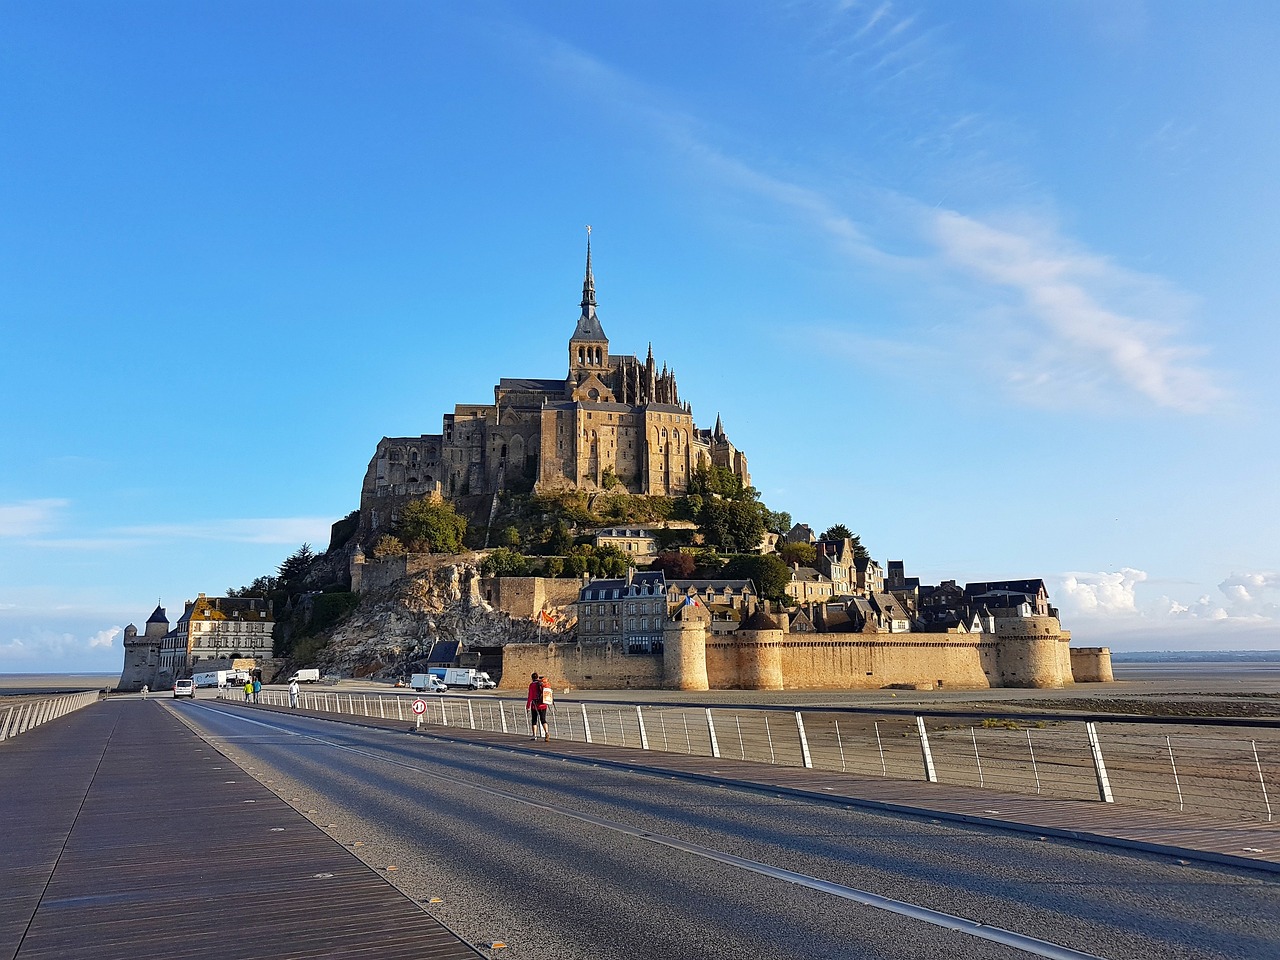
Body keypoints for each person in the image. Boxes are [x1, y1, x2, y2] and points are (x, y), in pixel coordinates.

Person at [526, 671, 549, 741]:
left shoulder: (532, 685)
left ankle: (534, 735)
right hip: (543, 704)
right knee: (543, 720)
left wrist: (527, 706)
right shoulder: (541, 684)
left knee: (534, 720)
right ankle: (546, 732)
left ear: (532, 678)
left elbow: (530, 696)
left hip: (535, 705)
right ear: (537, 677)